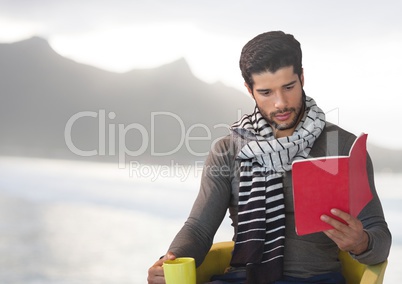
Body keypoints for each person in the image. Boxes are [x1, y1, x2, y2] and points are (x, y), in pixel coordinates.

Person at [147, 31, 391, 284]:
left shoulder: (342, 146)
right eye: (266, 92)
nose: (280, 103)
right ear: (249, 90)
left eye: (289, 87)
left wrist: (362, 242)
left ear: (302, 77)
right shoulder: (228, 151)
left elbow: (379, 235)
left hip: (314, 279)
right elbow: (198, 229)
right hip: (242, 278)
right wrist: (169, 262)